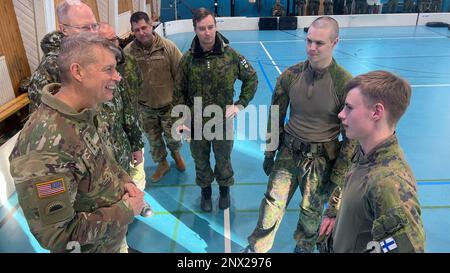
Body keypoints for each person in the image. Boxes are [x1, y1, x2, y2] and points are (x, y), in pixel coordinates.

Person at [9, 32, 146, 253]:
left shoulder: (86, 110)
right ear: (78, 72)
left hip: (112, 241)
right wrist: (125, 210)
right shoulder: (44, 151)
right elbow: (59, 237)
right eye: (108, 69)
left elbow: (105, 160)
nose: (118, 77)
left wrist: (125, 182)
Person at [244, 16, 355, 253]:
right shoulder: (290, 76)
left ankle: (304, 248)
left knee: (310, 211)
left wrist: (338, 176)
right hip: (288, 152)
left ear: (335, 42)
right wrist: (269, 152)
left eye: (319, 43)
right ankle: (257, 249)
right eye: (309, 41)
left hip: (320, 160)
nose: (312, 48)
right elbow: (276, 116)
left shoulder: (344, 84)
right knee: (271, 204)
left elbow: (351, 138)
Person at [319, 70, 425, 253]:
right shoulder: (364, 152)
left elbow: (406, 248)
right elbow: (349, 182)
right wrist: (334, 212)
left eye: (349, 108)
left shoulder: (388, 182)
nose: (341, 115)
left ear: (376, 112)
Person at [173, 8, 258, 212]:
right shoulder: (187, 60)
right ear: (195, 29)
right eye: (202, 28)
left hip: (222, 122)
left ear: (216, 26)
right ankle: (206, 193)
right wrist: (182, 122)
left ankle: (224, 190)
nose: (207, 32)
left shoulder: (231, 56)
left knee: (223, 159)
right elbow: (178, 92)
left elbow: (251, 79)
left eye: (211, 27)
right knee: (200, 161)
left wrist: (240, 104)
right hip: (196, 124)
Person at [124, 11, 185, 183]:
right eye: (137, 30)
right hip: (145, 107)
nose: (141, 32)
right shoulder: (128, 52)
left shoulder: (168, 47)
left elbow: (180, 76)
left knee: (173, 137)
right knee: (154, 140)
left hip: (169, 106)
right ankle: (163, 163)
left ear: (151, 26)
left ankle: (176, 155)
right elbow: (127, 81)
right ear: (133, 31)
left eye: (144, 27)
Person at [97, 23, 146, 190]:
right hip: (106, 154)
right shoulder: (93, 74)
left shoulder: (130, 62)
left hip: (131, 136)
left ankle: (138, 201)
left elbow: (139, 86)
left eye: (114, 39)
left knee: (138, 176)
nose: (113, 44)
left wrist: (136, 144)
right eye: (106, 40)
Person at [28, 0, 99, 113]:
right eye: (84, 28)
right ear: (64, 29)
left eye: (95, 26)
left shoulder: (96, 53)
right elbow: (44, 120)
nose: (93, 33)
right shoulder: (51, 68)